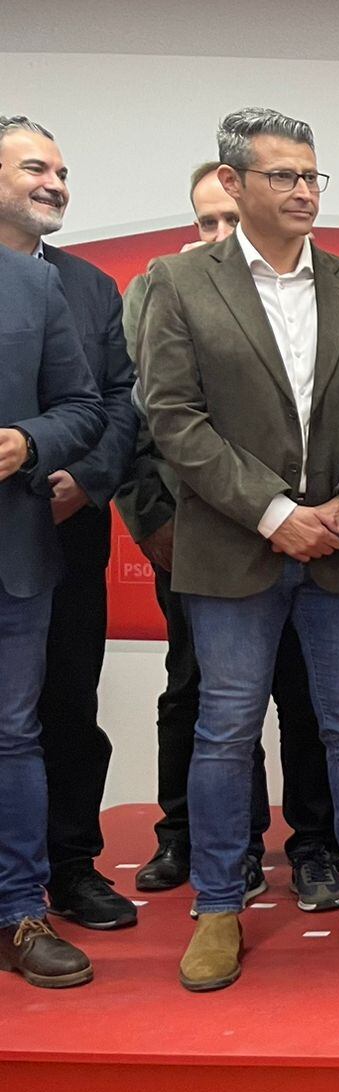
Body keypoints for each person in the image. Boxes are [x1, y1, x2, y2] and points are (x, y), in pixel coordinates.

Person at [136, 107, 339, 992]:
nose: (304, 191)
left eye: (312, 176)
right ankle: (219, 906)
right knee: (223, 732)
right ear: (233, 184)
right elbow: (173, 421)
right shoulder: (178, 285)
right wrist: (271, 512)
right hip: (232, 549)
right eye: (284, 176)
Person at [118, 162, 339, 907]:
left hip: (306, 532)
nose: (218, 233)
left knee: (308, 700)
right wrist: (153, 521)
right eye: (205, 221)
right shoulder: (165, 286)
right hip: (198, 536)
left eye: (227, 219)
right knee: (203, 697)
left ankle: (314, 846)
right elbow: (144, 421)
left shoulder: (311, 295)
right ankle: (208, 842)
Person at [0, 116, 141, 931]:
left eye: (60, 170)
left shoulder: (88, 286)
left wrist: (85, 480)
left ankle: (71, 869)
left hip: (63, 529)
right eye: (34, 168)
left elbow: (118, 400)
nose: (54, 183)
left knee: (64, 710)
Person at [0, 243, 108, 988]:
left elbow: (84, 406)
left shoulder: (33, 284)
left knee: (14, 735)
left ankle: (19, 913)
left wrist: (28, 441)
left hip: (15, 556)